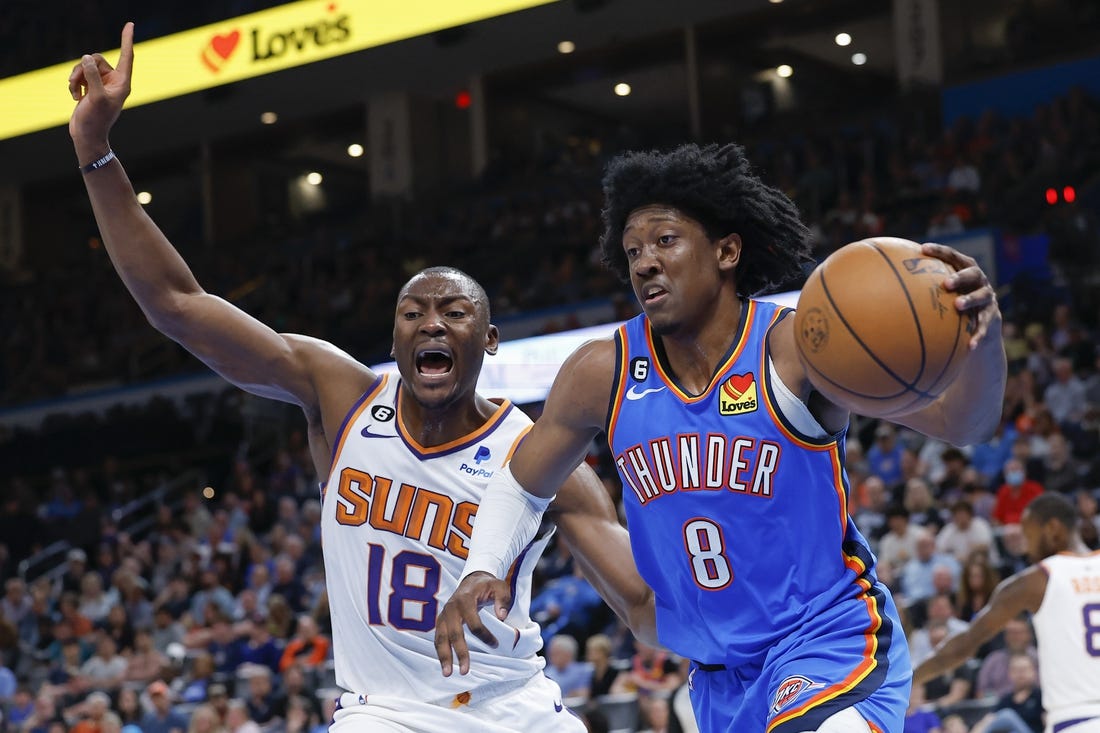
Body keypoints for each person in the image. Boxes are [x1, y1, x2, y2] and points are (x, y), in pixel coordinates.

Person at [67, 24, 653, 733]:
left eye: (454, 311)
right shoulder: (341, 397)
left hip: (515, 710)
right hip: (387, 713)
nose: (431, 323)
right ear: (395, 337)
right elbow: (178, 306)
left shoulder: (540, 453)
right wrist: (96, 153)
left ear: (489, 340)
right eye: (413, 312)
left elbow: (642, 605)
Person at [436, 142, 1006, 732]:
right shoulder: (600, 372)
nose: (644, 263)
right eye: (633, 251)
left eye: (665, 241)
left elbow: (965, 424)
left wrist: (984, 343)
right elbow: (522, 485)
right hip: (718, 675)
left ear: (727, 251)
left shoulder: (794, 351)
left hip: (828, 640)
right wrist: (483, 566)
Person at [913, 494, 1100, 733]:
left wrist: (910, 678)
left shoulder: (1037, 579)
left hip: (1076, 720)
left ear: (1053, 528)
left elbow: (966, 643)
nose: (1026, 546)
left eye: (1029, 534)